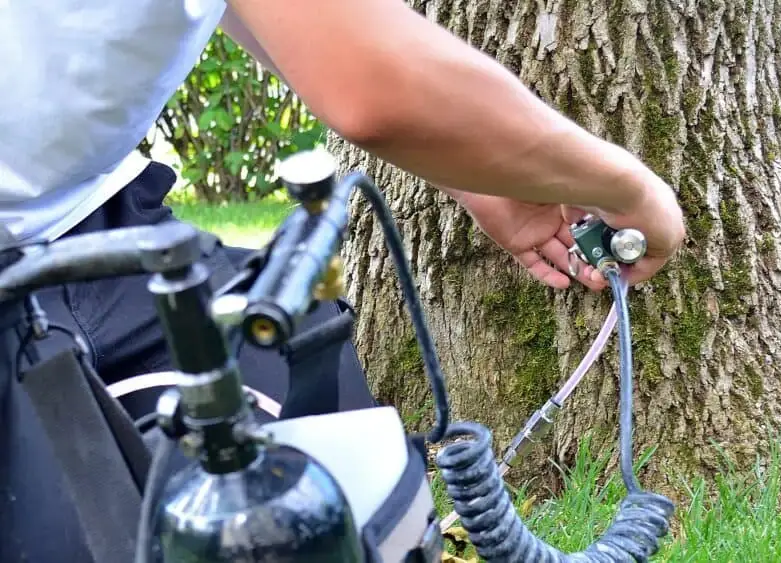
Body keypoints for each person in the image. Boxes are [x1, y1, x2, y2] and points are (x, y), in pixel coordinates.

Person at [0, 1, 686, 562]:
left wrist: (481, 180)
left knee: (339, 481)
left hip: (89, 216)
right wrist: (624, 185)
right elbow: (372, 77)